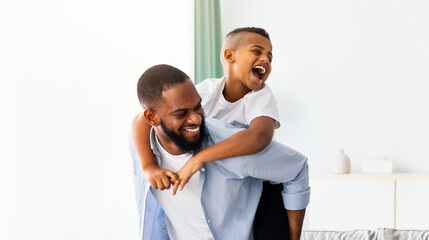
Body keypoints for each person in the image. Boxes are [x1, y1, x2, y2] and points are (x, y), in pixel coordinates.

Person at [132, 27, 296, 239]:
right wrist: (149, 166)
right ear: (229, 56)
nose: (265, 59)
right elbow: (140, 120)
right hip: (220, 181)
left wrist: (200, 158)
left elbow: (259, 137)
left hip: (259, 183)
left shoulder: (261, 96)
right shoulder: (206, 91)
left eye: (270, 56)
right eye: (257, 52)